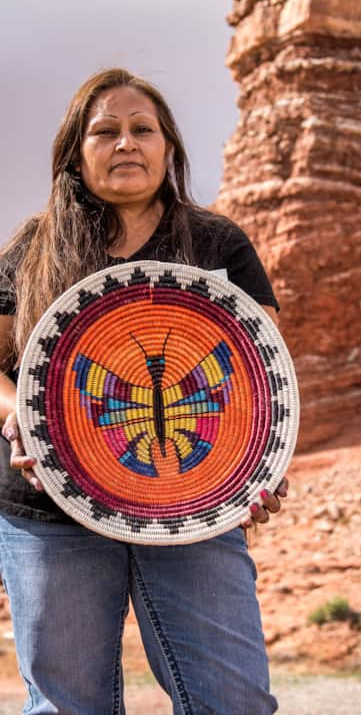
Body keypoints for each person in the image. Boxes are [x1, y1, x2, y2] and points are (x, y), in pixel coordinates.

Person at [0, 67, 288, 715]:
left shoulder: (216, 242)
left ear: (168, 148)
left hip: (191, 505)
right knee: (67, 708)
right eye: (105, 131)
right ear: (77, 152)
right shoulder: (33, 248)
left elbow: (259, 374)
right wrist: (16, 408)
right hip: (52, 506)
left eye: (142, 129)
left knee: (234, 700)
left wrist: (258, 465)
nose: (126, 143)